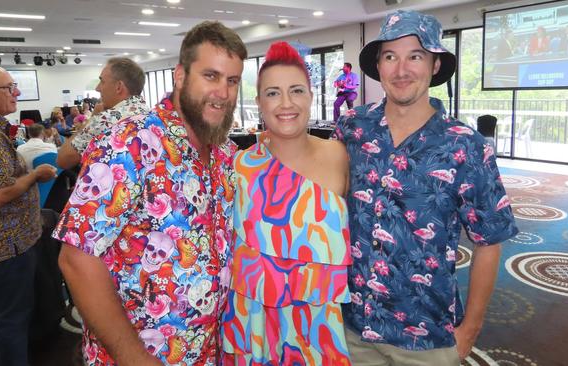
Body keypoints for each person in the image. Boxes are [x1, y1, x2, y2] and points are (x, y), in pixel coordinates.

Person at [52, 20, 247, 366]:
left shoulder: (225, 153)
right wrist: (135, 358)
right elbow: (77, 259)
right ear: (180, 75)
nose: (224, 92)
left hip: (207, 352)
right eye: (211, 76)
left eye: (232, 81)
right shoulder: (130, 143)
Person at [333, 10, 519, 365]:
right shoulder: (353, 129)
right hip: (352, 327)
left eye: (415, 56)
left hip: (428, 337)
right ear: (379, 65)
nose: (401, 70)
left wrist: (470, 330)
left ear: (435, 65)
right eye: (391, 56)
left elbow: (489, 241)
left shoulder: (466, 146)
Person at [221, 42, 352, 365]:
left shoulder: (339, 155)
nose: (286, 103)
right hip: (255, 327)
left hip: (320, 328)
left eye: (296, 91)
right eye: (273, 93)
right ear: (258, 104)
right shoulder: (238, 169)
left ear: (310, 96)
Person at [0, 65, 57, 366]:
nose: (16, 93)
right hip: (4, 244)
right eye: (9, 87)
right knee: (11, 319)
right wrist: (34, 175)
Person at [56, 57, 149, 170]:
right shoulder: (152, 114)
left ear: (119, 87)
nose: (97, 88)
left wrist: (92, 119)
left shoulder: (106, 119)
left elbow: (62, 160)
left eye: (102, 81)